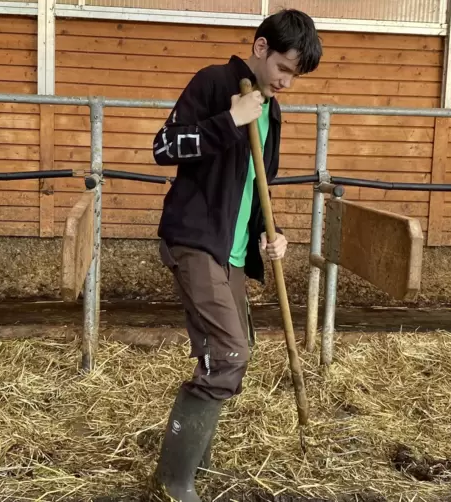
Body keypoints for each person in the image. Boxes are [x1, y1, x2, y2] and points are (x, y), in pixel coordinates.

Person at [149, 8, 322, 502]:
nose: (287, 82)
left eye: (296, 75)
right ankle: (173, 481)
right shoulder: (213, 82)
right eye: (284, 69)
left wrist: (274, 234)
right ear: (261, 47)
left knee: (228, 351)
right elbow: (163, 147)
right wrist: (228, 121)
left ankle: (193, 461)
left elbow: (255, 186)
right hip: (195, 240)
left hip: (234, 249)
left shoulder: (272, 111)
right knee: (229, 354)